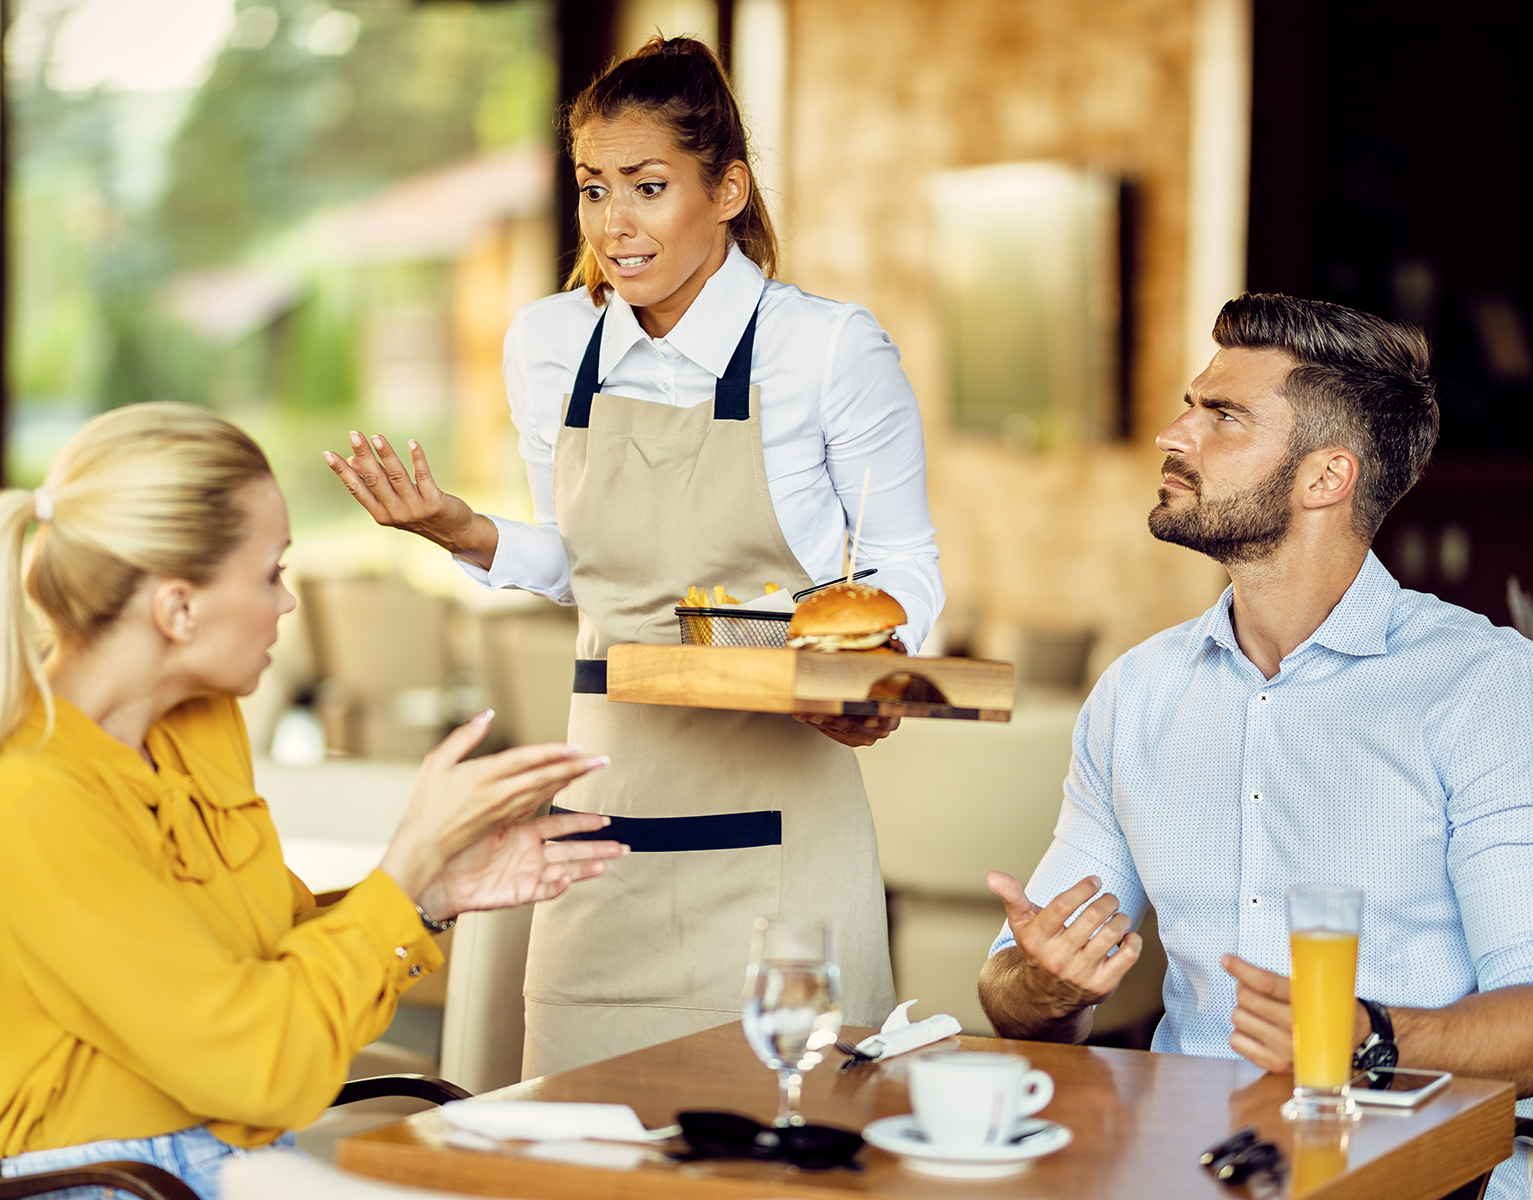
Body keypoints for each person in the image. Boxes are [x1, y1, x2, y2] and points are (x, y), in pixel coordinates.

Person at [325, 36, 943, 1076]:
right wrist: (456, 529)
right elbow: (586, 566)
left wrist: (866, 681)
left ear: (728, 189)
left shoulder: (828, 348)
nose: (616, 224)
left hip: (784, 853)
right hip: (602, 840)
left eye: (649, 187)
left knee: (788, 1163)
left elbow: (905, 568)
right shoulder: (548, 344)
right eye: (593, 189)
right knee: (574, 1152)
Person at [0, 403, 625, 1199]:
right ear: (177, 608)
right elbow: (262, 1067)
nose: (289, 604)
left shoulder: (194, 726)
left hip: (244, 1166)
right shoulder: (36, 801)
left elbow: (272, 962)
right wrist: (404, 863)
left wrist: (429, 893)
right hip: (124, 1186)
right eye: (271, 573)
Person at [976, 294, 1533, 1199]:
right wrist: (1046, 985)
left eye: (1221, 416)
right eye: (1191, 405)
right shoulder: (1138, 693)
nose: (1172, 434)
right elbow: (1013, 997)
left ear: (1327, 478)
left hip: (1421, 1179)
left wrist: (1368, 1037)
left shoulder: (1484, 689)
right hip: (1181, 1169)